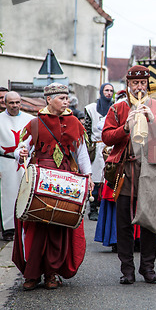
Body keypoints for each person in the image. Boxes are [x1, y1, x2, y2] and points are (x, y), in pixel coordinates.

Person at [13, 83, 93, 290]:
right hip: (40, 179)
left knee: (58, 227)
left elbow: (81, 153)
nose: (66, 101)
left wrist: (89, 176)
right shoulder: (35, 123)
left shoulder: (74, 122)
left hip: (65, 178)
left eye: (67, 98)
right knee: (36, 227)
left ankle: (51, 274)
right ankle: (31, 274)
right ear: (49, 99)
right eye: (61, 98)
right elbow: (22, 146)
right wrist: (19, 153)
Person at [101, 65, 156, 285]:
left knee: (150, 221)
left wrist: (153, 118)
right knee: (123, 222)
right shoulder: (118, 108)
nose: (139, 87)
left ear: (147, 85)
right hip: (126, 169)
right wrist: (125, 127)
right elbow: (106, 137)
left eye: (143, 83)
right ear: (128, 85)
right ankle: (127, 270)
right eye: (135, 83)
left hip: (151, 169)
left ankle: (148, 267)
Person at [0, 92, 33, 241]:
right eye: (11, 103)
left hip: (26, 162)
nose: (14, 105)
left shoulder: (31, 120)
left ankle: (26, 226)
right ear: (5, 103)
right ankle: (9, 229)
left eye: (17, 102)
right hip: (5, 161)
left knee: (26, 193)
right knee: (7, 195)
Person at [84, 83, 115, 221]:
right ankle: (93, 208)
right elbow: (87, 131)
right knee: (96, 180)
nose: (109, 93)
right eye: (106, 90)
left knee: (110, 178)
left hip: (112, 148)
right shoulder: (90, 109)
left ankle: (106, 207)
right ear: (101, 92)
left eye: (111, 91)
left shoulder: (116, 108)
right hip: (96, 148)